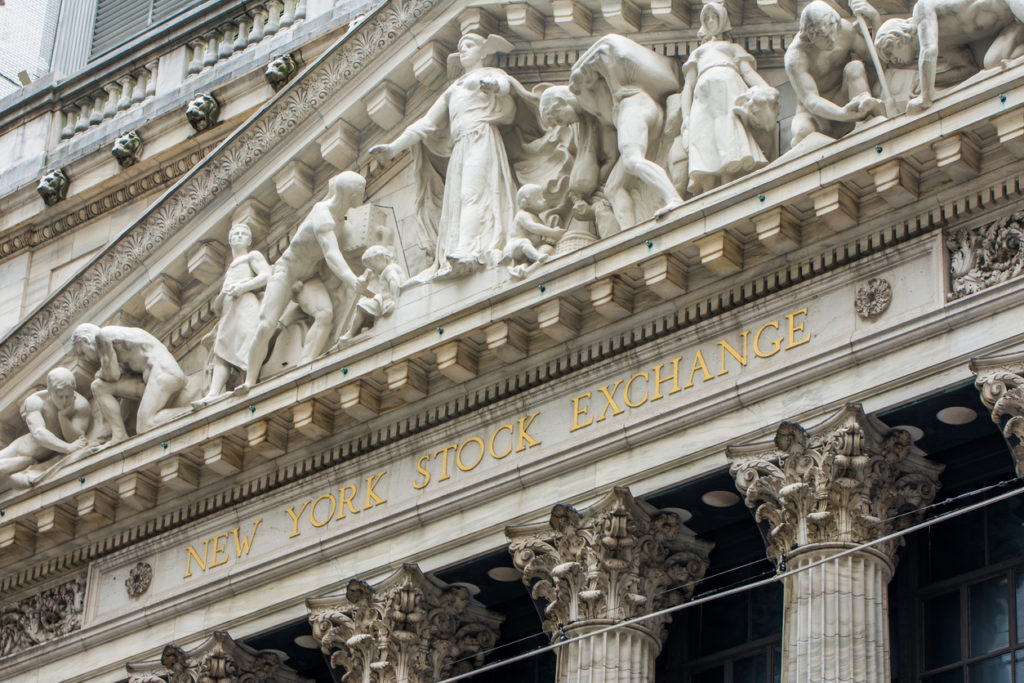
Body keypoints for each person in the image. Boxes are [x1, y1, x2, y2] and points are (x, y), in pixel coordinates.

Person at [369, 32, 560, 281]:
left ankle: (467, 251)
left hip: (481, 137)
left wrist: (495, 88)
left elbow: (507, 88)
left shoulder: (489, 75)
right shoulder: (453, 90)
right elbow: (424, 124)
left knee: (473, 193)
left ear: (484, 51)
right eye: (461, 48)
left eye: (469, 46)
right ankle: (461, 248)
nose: (464, 52)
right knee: (460, 198)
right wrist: (394, 148)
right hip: (461, 146)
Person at [240, 171, 366, 391]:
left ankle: (305, 365)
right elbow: (331, 254)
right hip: (286, 273)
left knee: (324, 313)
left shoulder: (338, 217)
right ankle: (249, 381)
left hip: (308, 277)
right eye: (360, 191)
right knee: (266, 325)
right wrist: (351, 280)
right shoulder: (323, 214)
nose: (363, 194)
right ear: (351, 193)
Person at [568, 34, 684, 226]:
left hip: (636, 110)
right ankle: (631, 233)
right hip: (644, 114)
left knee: (632, 160)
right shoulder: (604, 103)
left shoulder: (612, 89)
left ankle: (673, 198)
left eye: (555, 116)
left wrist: (613, 83)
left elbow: (605, 52)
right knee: (612, 187)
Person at [681, 0, 779, 194]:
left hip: (728, 92)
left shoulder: (731, 48)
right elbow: (688, 86)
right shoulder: (698, 53)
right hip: (703, 98)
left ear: (723, 19)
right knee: (704, 137)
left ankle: (728, 178)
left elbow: (748, 73)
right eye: (706, 18)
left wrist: (766, 89)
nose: (710, 21)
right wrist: (685, 118)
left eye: (714, 16)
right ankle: (709, 187)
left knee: (728, 133)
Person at [874, 0, 1024, 113]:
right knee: (992, 63)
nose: (893, 61)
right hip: (1013, 24)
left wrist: (925, 96)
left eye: (889, 53)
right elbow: (968, 69)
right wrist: (934, 79)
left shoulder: (921, 9)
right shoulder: (944, 44)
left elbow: (929, 50)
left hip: (1012, 3)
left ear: (898, 37)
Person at [785, 0, 886, 146]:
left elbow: (877, 61)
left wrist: (875, 19)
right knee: (803, 135)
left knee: (855, 67)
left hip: (843, 96)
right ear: (811, 36)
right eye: (825, 37)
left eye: (834, 31)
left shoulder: (845, 30)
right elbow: (811, 100)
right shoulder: (796, 57)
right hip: (815, 115)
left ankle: (865, 122)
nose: (832, 40)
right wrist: (842, 114)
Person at [70, 324, 188, 444]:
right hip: (150, 380)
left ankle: (191, 410)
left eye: (83, 352)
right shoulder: (117, 342)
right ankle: (119, 435)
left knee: (145, 426)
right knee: (99, 387)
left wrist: (99, 374)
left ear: (85, 340)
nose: (88, 359)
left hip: (163, 373)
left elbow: (112, 374)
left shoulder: (102, 336)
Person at [193, 224, 270, 408]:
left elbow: (267, 275)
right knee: (222, 350)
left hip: (246, 305)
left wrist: (243, 287)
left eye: (244, 234)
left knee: (248, 340)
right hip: (229, 310)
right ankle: (213, 393)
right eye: (235, 234)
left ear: (250, 240)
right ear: (229, 240)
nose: (239, 236)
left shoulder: (253, 256)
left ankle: (250, 380)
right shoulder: (231, 267)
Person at [0, 368, 98, 490]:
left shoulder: (81, 405)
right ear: (51, 391)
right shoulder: (36, 401)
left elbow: (75, 438)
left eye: (68, 396)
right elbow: (38, 433)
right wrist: (67, 447)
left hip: (33, 460)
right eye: (60, 396)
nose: (64, 401)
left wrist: (63, 416)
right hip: (18, 450)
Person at [336, 246, 406, 344]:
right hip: (385, 300)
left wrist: (395, 301)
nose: (373, 270)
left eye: (373, 266)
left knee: (362, 306)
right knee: (365, 304)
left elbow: (394, 283)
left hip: (388, 301)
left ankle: (351, 333)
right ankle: (357, 330)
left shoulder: (389, 270)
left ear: (382, 258)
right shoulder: (388, 269)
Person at [504, 184, 566, 278]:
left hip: (526, 253)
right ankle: (537, 256)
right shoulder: (522, 215)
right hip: (515, 247)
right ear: (525, 202)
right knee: (524, 242)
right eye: (539, 198)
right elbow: (533, 227)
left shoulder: (537, 218)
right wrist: (553, 232)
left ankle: (523, 268)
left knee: (545, 248)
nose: (544, 200)